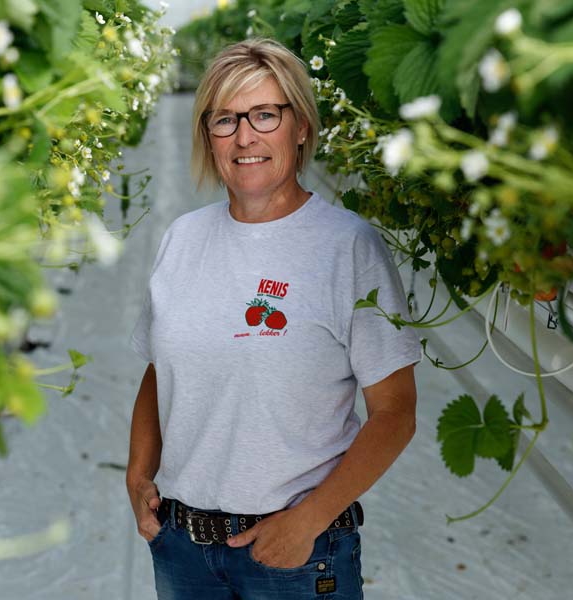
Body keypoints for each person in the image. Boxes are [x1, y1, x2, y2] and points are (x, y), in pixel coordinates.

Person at [126, 38, 421, 600]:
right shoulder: (183, 239)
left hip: (297, 556)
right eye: (225, 119)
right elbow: (158, 369)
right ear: (208, 135)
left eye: (265, 114)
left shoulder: (347, 247)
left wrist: (309, 520)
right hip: (183, 551)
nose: (245, 137)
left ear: (301, 127)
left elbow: (395, 412)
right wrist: (137, 477)